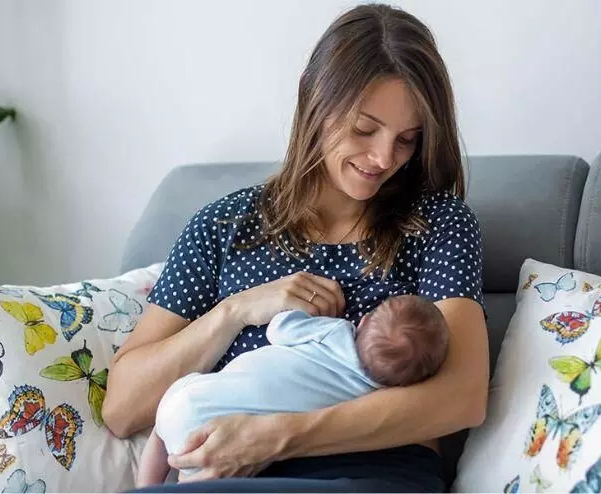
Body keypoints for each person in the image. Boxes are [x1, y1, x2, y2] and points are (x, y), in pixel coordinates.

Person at [103, 3, 489, 492]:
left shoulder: (437, 224)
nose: (383, 157)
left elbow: (462, 397)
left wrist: (275, 436)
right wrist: (235, 312)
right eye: (364, 129)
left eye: (407, 140)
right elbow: (122, 408)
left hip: (372, 473)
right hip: (215, 477)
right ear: (312, 95)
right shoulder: (224, 226)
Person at [136, 294, 450, 487]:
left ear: (364, 320)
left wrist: (315, 316)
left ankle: (144, 487)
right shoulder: (367, 398)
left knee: (162, 433)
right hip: (218, 441)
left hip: (191, 397)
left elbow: (279, 328)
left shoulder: (334, 332)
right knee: (192, 474)